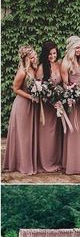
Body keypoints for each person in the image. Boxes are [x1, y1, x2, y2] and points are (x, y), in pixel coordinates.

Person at [4, 45, 38, 175]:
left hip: (32, 105)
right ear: (26, 58)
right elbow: (15, 89)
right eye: (32, 57)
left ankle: (28, 162)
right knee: (23, 136)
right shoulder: (22, 72)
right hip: (22, 105)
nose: (35, 58)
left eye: (35, 55)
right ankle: (22, 165)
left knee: (29, 136)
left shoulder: (33, 69)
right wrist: (30, 97)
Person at [61, 35, 80, 175]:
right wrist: (74, 92)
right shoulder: (66, 64)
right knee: (75, 131)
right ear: (71, 48)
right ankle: (73, 164)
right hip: (74, 101)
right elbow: (65, 85)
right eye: (77, 47)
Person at [37, 39, 62, 172]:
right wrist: (50, 99)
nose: (53, 56)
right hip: (47, 106)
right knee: (47, 133)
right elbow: (38, 88)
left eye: (54, 53)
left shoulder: (59, 64)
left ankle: (55, 160)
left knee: (57, 134)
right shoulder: (42, 68)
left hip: (58, 105)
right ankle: (46, 163)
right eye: (50, 54)